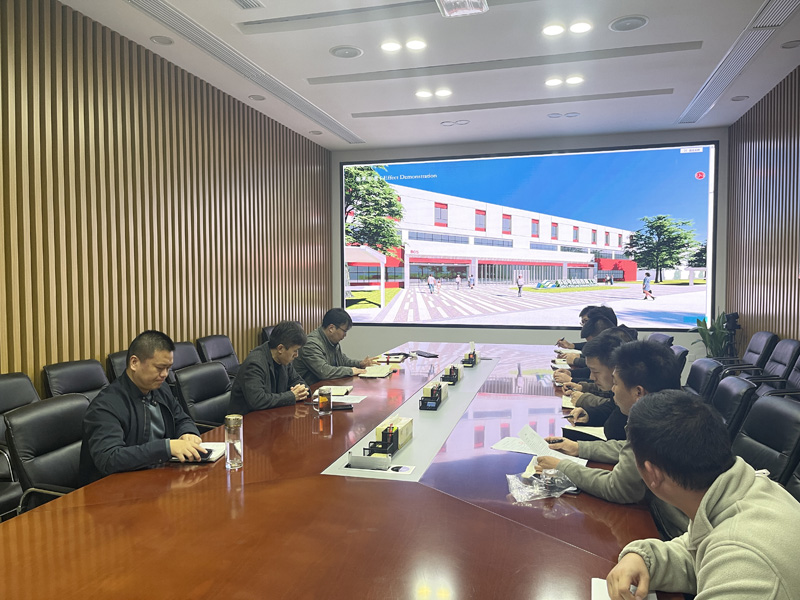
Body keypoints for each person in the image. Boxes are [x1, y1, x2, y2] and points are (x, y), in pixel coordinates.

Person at [606, 390, 800, 600]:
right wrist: (643, 558)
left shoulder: (747, 562)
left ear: (652, 474)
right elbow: (699, 553)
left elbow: (729, 560)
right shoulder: (737, 490)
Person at [538, 340, 687, 539]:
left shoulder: (651, 425)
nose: (613, 390)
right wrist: (578, 448)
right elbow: (627, 447)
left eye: (615, 383)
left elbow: (619, 488)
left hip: (673, 534)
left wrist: (562, 467)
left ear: (638, 392)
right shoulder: (674, 409)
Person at [79, 330, 205, 485]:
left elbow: (182, 418)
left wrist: (188, 432)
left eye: (168, 368)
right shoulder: (105, 406)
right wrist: (166, 448)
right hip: (116, 489)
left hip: (158, 479)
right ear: (134, 363)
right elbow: (109, 459)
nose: (165, 374)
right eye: (159, 368)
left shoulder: (160, 388)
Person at [228, 320, 309, 415]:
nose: (297, 355)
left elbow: (299, 382)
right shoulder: (255, 363)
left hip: (272, 415)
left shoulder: (284, 360)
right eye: (295, 351)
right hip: (247, 419)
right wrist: (292, 396)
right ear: (280, 348)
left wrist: (302, 391)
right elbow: (258, 400)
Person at [295, 308, 378, 385]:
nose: (345, 335)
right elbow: (324, 371)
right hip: (309, 391)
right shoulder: (311, 344)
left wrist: (360, 364)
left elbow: (343, 360)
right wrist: (351, 371)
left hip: (326, 386)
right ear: (331, 328)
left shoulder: (332, 341)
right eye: (344, 331)